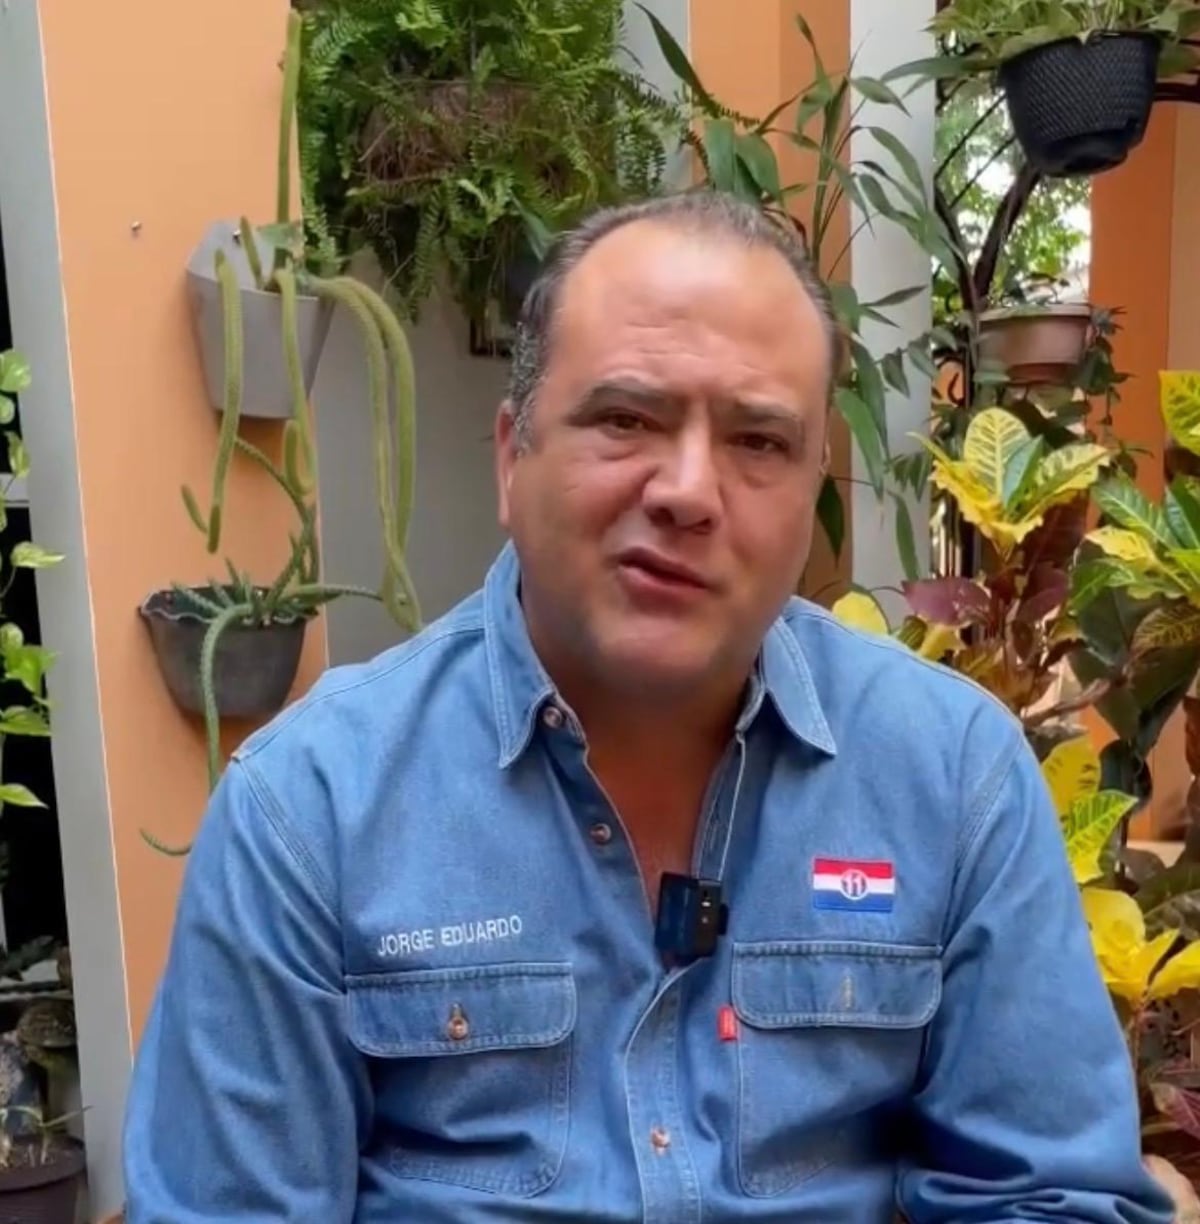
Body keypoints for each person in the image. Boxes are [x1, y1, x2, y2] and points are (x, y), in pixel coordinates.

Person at [122, 191, 1172, 1223]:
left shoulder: (950, 774)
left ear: (811, 489)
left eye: (759, 442)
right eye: (626, 419)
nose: (688, 492)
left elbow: (1048, 1198)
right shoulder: (312, 812)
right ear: (512, 458)